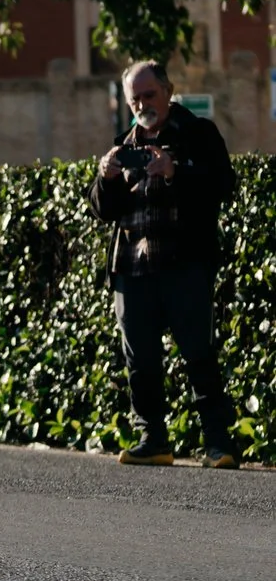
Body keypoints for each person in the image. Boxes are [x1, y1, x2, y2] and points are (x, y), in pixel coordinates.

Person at [91, 60, 239, 465]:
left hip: (184, 264)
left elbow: (224, 185)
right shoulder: (123, 145)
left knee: (198, 353)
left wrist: (176, 171)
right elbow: (103, 211)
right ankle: (153, 440)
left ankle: (218, 443)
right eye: (134, 99)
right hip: (132, 269)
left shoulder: (198, 133)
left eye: (149, 95)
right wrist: (106, 178)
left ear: (168, 91)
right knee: (140, 360)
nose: (142, 104)